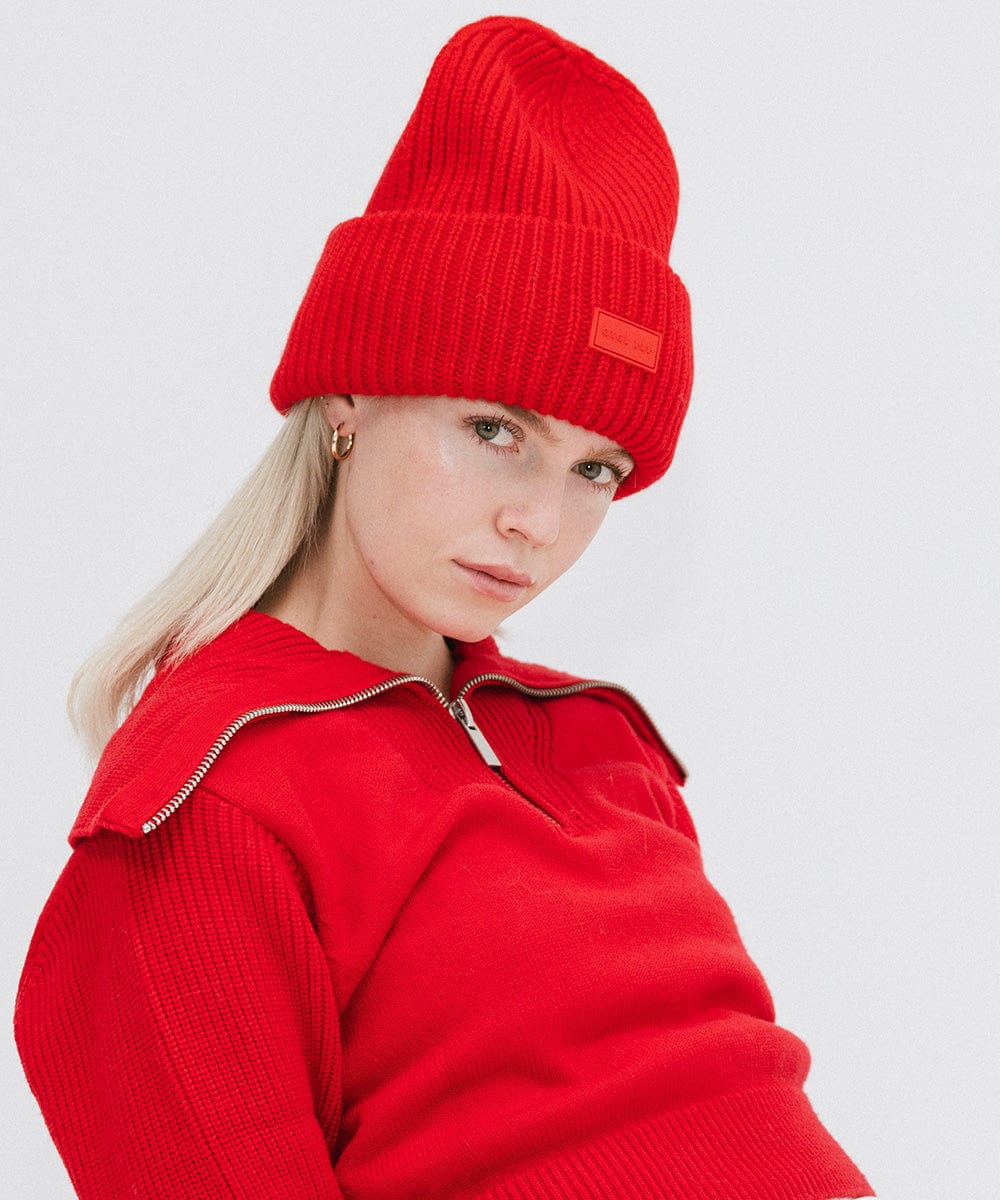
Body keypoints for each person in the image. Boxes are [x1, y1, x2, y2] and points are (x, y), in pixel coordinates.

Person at [14, 16, 874, 1200]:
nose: (539, 521)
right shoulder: (206, 807)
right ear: (348, 399)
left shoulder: (598, 740)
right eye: (494, 430)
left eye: (596, 469)